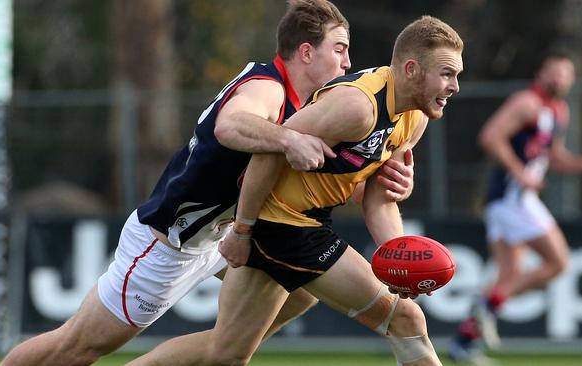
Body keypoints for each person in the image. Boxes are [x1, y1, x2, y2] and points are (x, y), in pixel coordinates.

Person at [1, 1, 416, 365]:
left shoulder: (312, 105)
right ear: (306, 52)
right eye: (339, 49)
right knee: (75, 349)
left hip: (224, 239)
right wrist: (289, 139)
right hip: (168, 244)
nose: (347, 63)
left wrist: (381, 180)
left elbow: (323, 174)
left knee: (298, 294)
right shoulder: (268, 88)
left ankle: (223, 346)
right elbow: (230, 125)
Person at [127, 15, 464, 366]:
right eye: (446, 74)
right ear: (411, 69)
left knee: (226, 353)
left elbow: (379, 197)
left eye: (457, 75)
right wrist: (242, 229)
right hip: (282, 224)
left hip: (301, 221)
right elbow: (269, 152)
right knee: (406, 319)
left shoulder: (414, 117)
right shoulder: (358, 106)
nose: (455, 85)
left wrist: (396, 253)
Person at [448, 49, 582, 362]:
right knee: (558, 263)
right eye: (555, 71)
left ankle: (463, 344)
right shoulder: (526, 103)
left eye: (566, 73)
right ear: (541, 73)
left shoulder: (558, 111)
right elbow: (490, 137)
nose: (560, 78)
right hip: (512, 198)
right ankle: (486, 307)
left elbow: (552, 158)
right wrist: (520, 172)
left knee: (508, 277)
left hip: (511, 201)